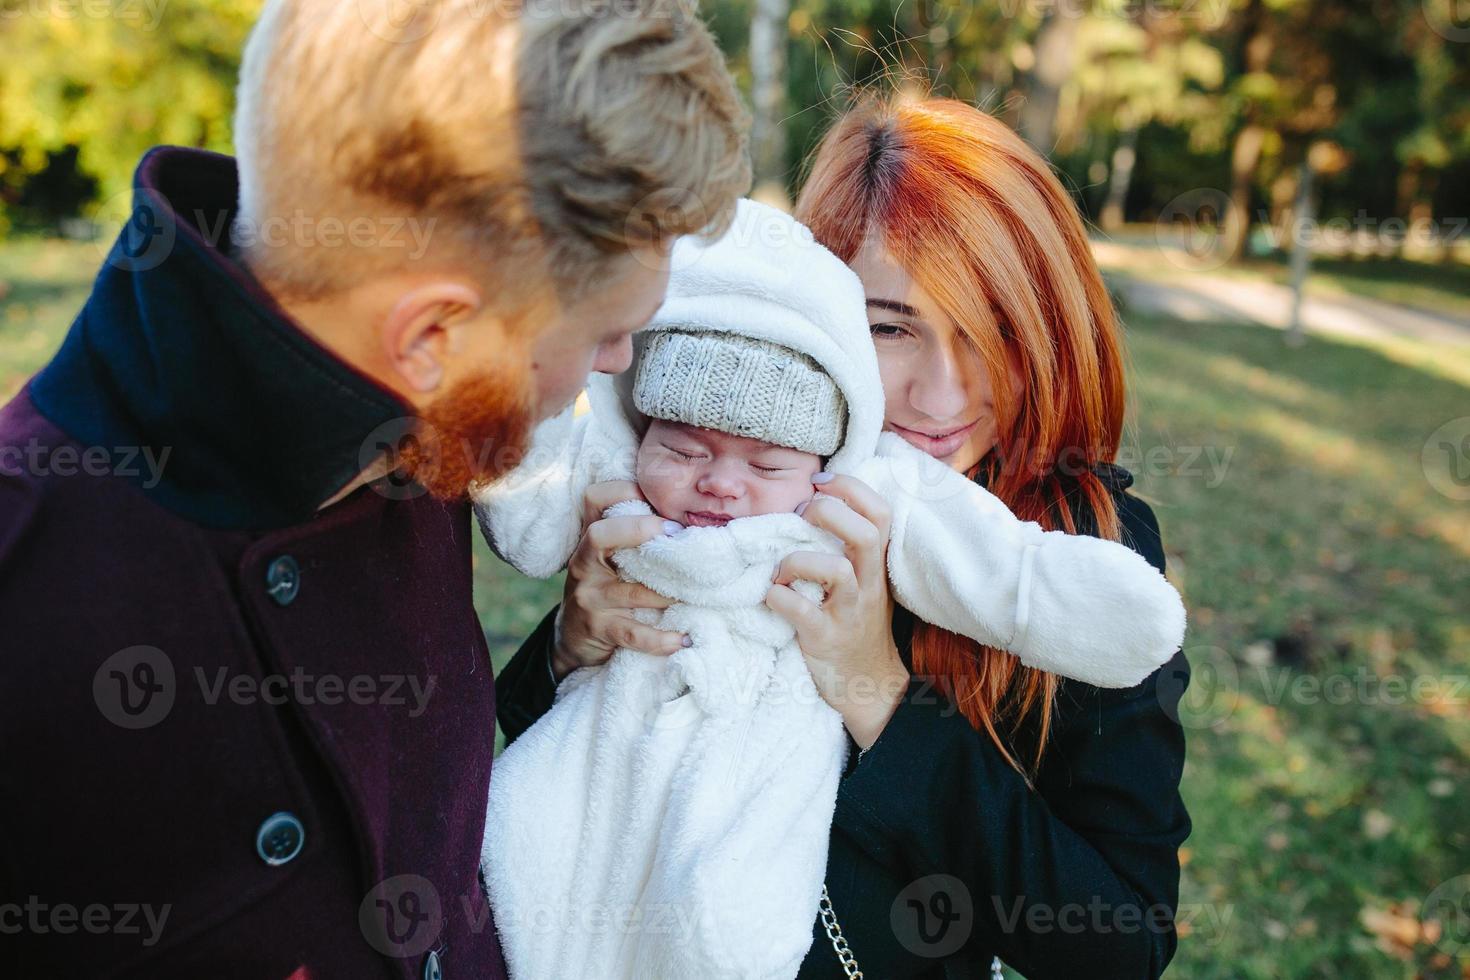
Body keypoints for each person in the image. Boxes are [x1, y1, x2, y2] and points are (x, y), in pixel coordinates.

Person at [0, 0, 748, 975]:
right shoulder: (25, 574)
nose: (613, 366)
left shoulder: (416, 428)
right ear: (430, 337)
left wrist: (566, 656)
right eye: (602, 332)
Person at [495, 97, 1193, 978]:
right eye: (891, 327)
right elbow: (555, 745)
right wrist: (572, 647)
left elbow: (1121, 940)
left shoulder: (1079, 549)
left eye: (993, 330)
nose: (945, 396)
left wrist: (876, 692)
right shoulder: (730, 470)